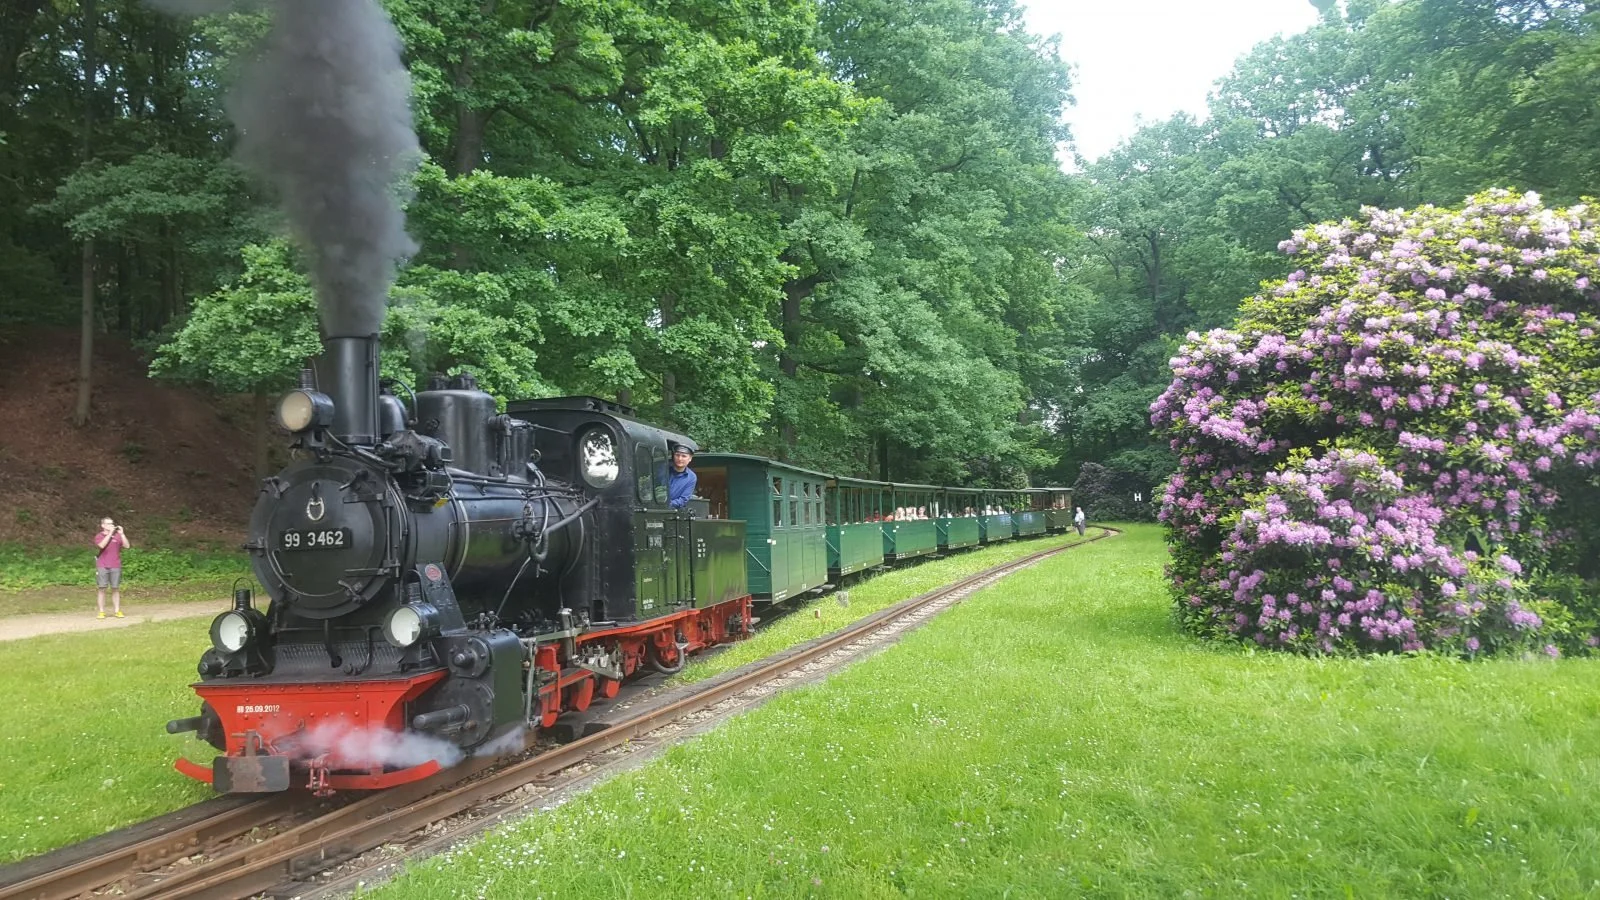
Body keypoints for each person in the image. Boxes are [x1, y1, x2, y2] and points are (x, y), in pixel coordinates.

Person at [93, 516, 131, 618]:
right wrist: (110, 534)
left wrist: (122, 534)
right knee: (102, 588)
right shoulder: (99, 536)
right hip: (102, 565)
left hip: (115, 565)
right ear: (103, 525)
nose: (111, 525)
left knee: (115, 588)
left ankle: (117, 610)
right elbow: (101, 545)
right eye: (109, 524)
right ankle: (101, 611)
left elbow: (127, 546)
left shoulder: (118, 536)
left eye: (112, 523)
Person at [666, 443, 697, 510]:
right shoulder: (663, 469)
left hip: (673, 511)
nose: (680, 458)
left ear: (690, 458)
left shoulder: (691, 477)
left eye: (684, 456)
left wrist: (667, 505)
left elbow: (683, 499)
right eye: (677, 455)